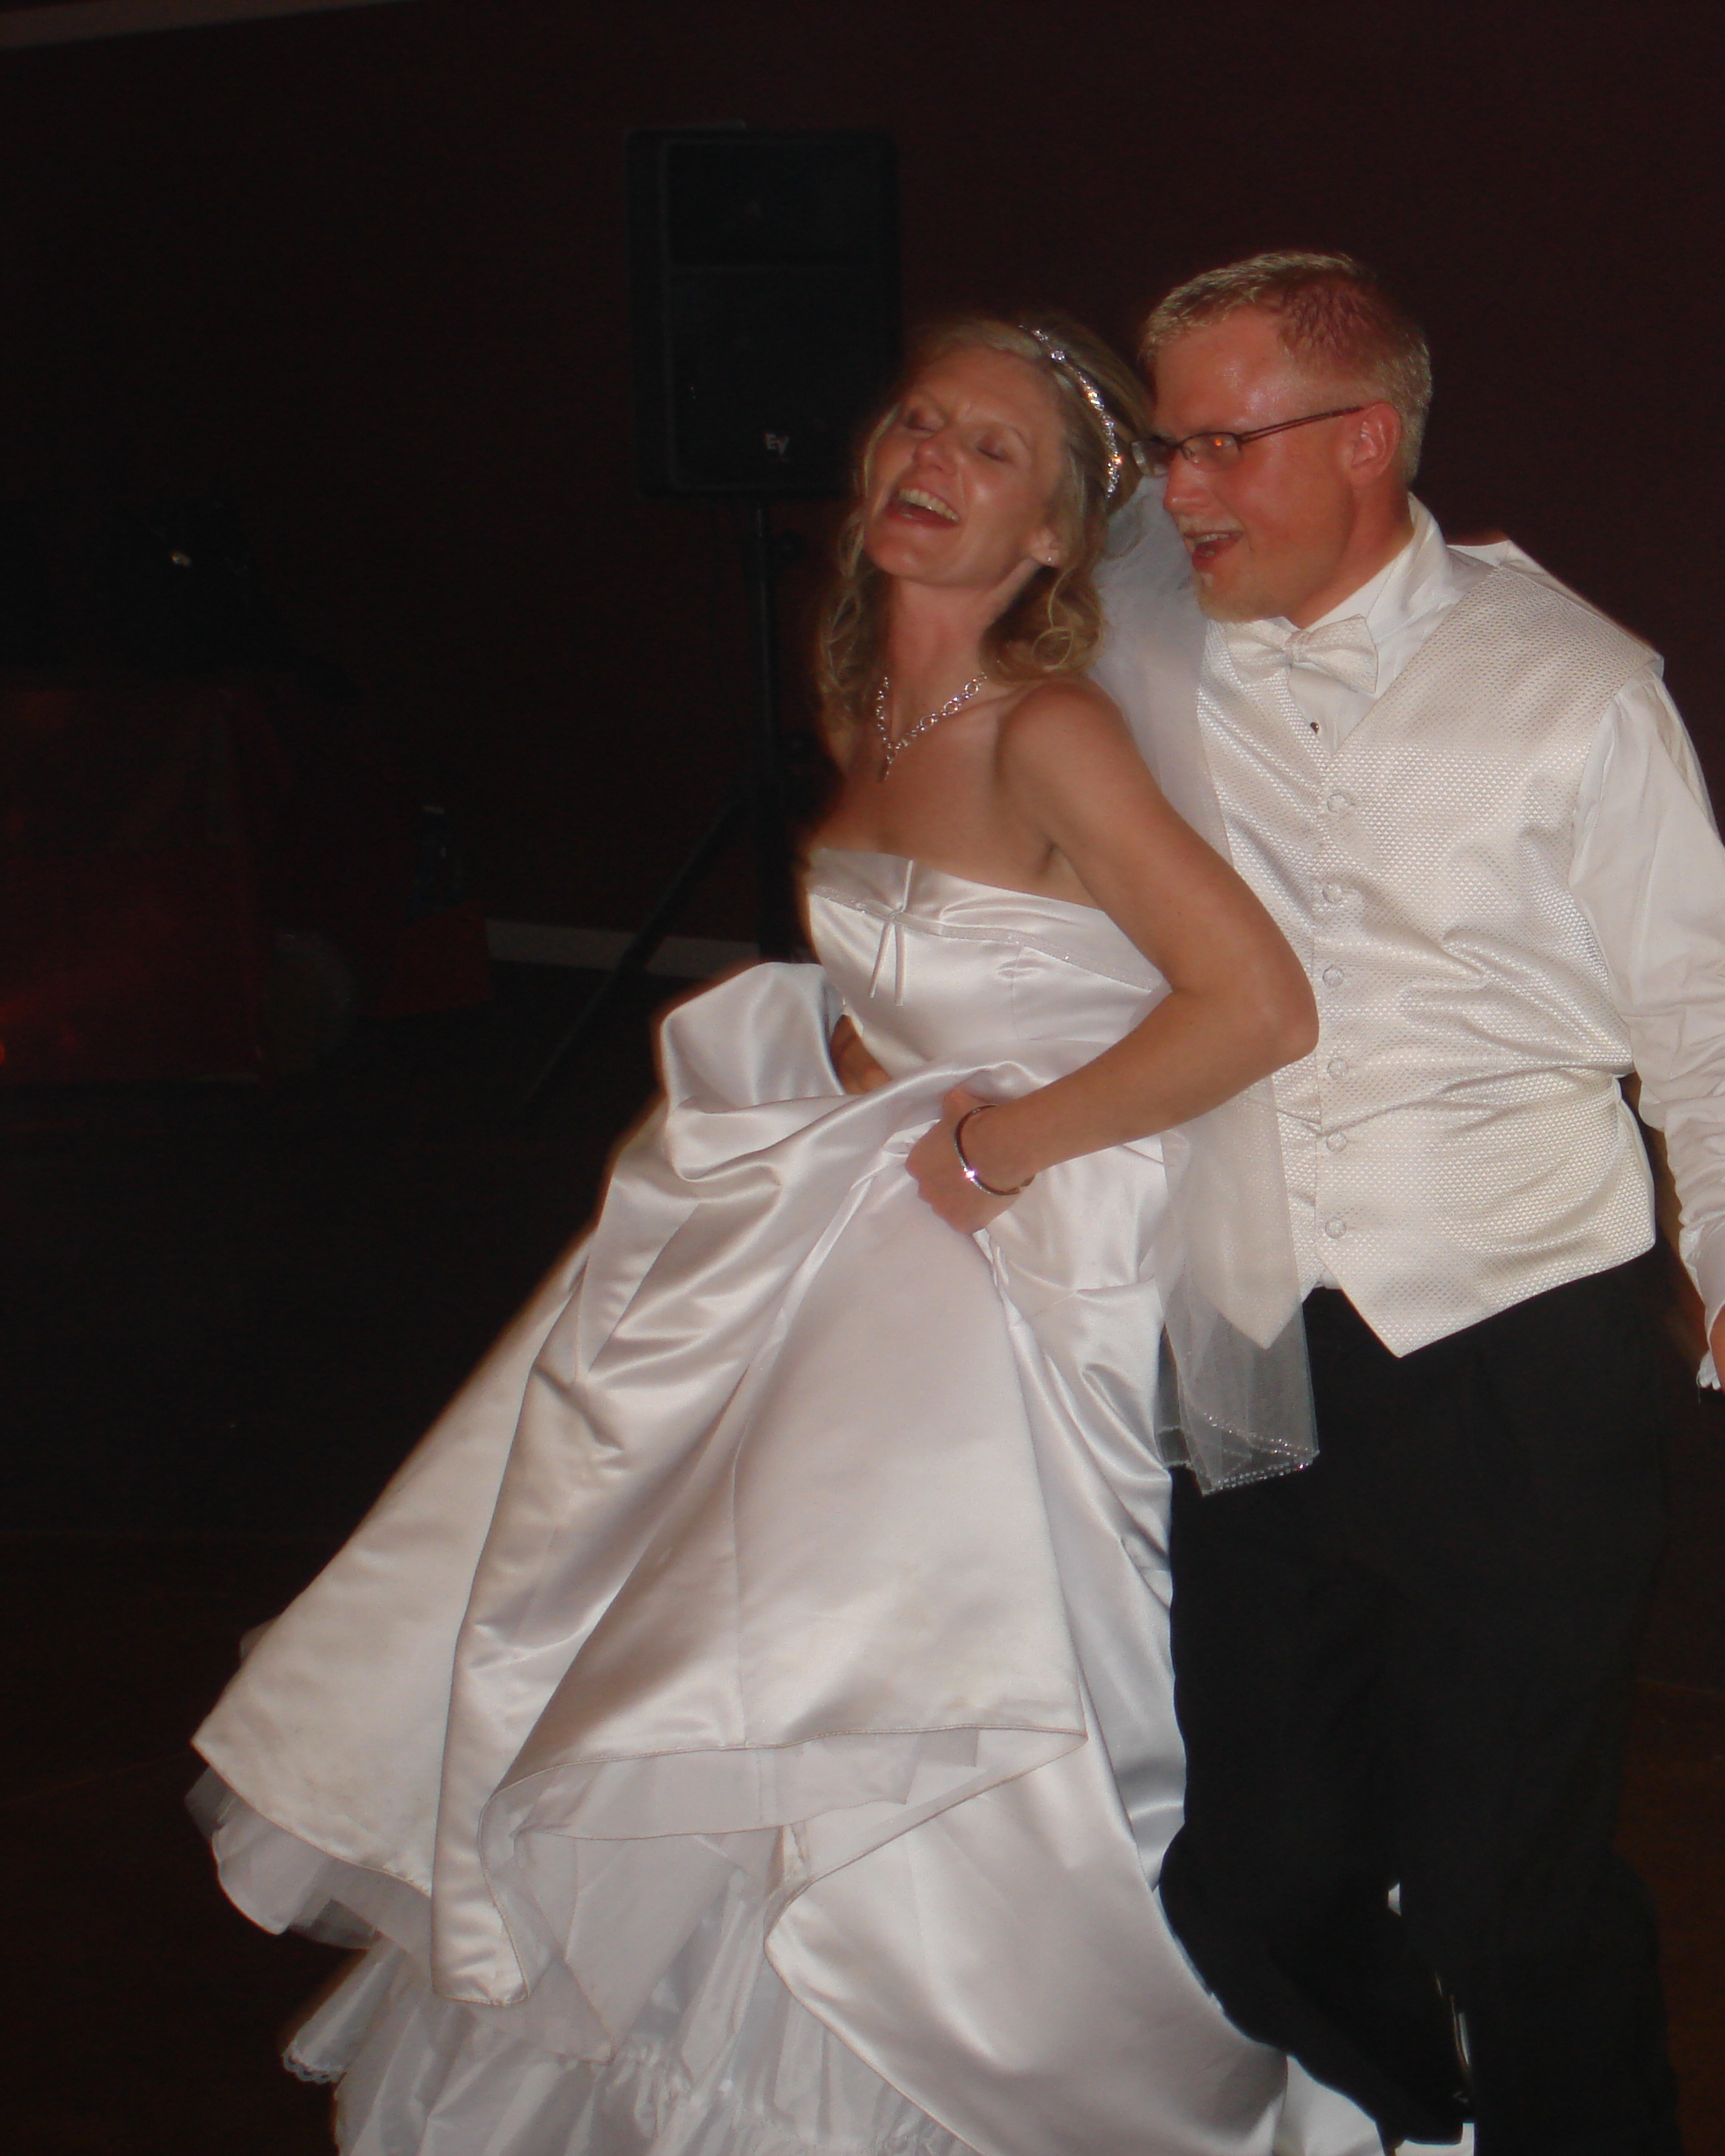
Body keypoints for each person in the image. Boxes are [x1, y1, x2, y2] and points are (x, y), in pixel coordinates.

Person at [188, 314, 1373, 2156]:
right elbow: (935, 966)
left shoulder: (1053, 730)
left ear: (1056, 539)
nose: (931, 459)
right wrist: (853, 1065)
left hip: (1010, 1251)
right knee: (708, 1612)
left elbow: (1256, 1004)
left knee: (884, 1656)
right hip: (865, 1206)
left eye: (991, 450)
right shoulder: (863, 706)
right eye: (919, 421)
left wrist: (997, 1142)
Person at [878, 255, 1725, 2154]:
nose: (1179, 493)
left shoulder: (1574, 688)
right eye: (1169, 447)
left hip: (1520, 1349)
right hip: (1251, 1351)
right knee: (1251, 1888)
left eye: (1223, 447)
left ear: (1366, 441)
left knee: (1510, 1893)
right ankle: (1426, 2120)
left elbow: (1712, 1012)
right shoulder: (1140, 658)